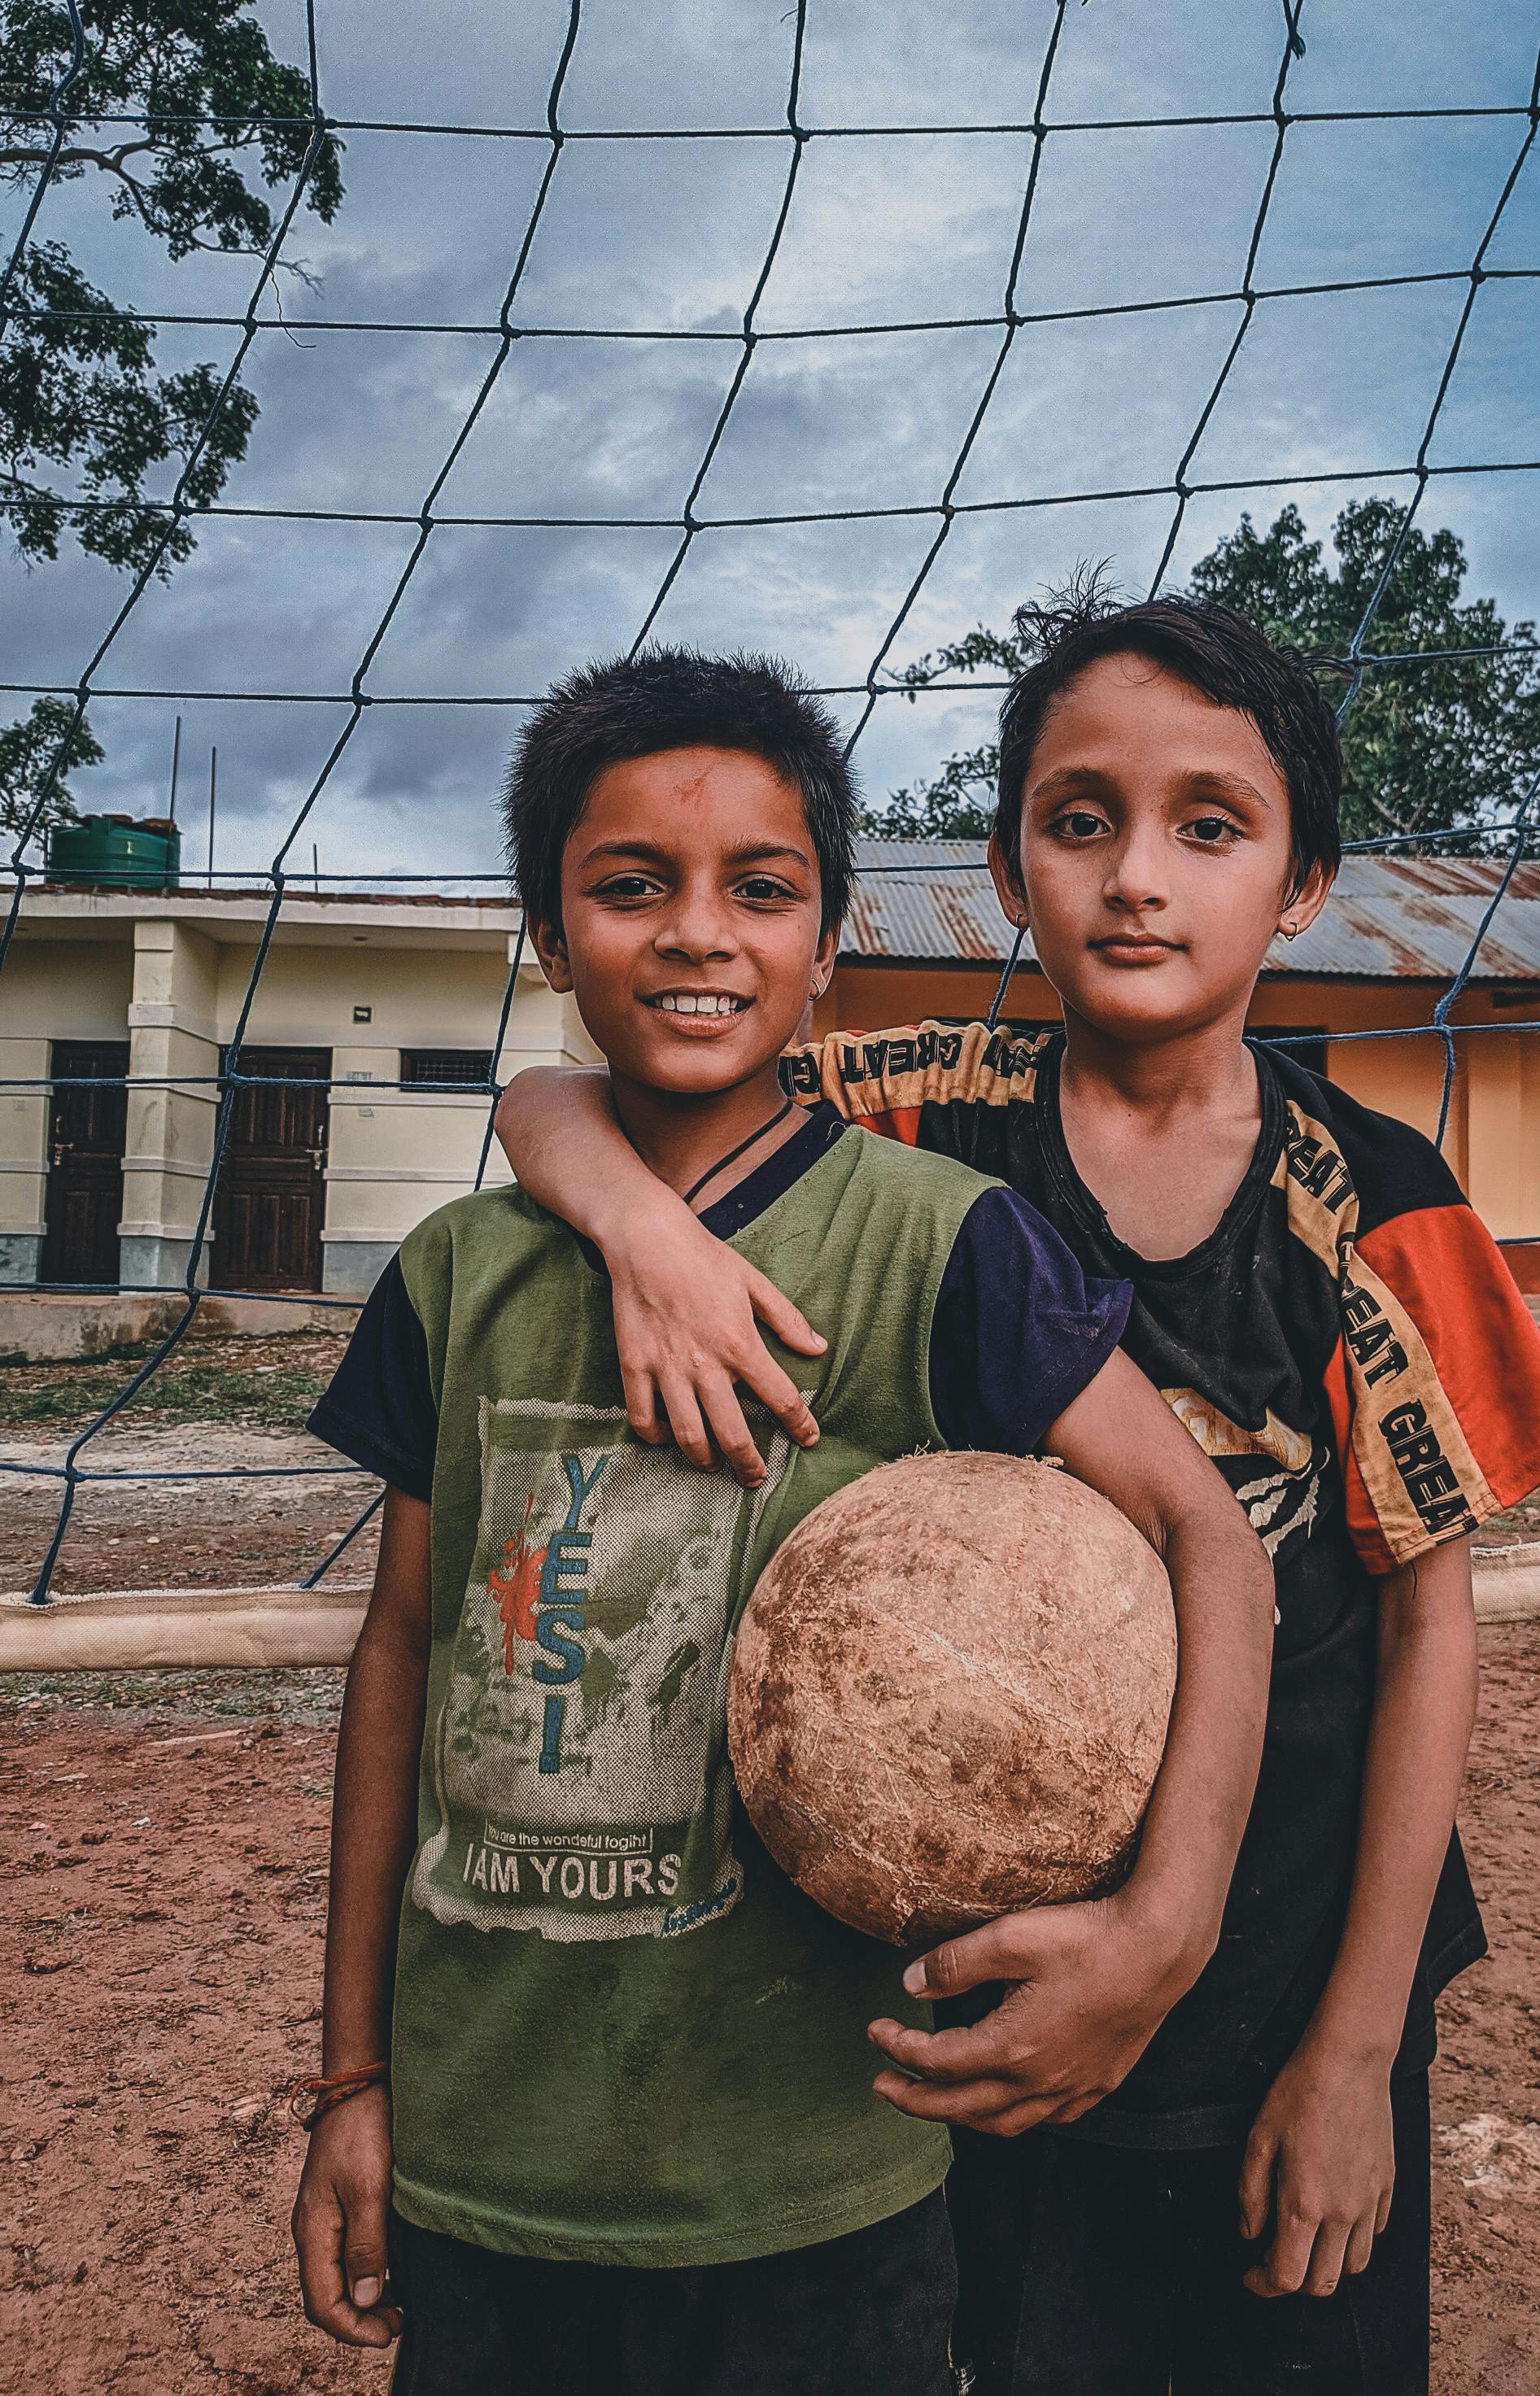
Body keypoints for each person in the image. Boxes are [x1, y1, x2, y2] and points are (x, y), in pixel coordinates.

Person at [495, 595, 1540, 2395]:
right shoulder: (912, 1121)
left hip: (1282, 1985)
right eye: (1081, 822)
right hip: (974, 1989)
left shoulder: (1377, 1193)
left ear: (1304, 882)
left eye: (1209, 826)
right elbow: (566, 1093)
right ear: (1010, 870)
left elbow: (1430, 1621)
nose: (1137, 878)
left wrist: (1356, 2053)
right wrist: (643, 1234)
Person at [290, 648, 1274, 2396]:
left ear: (828, 945)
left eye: (760, 889)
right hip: (480, 2163)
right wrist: (353, 2080)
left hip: (820, 2181)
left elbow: (1213, 1543)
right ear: (544, 930)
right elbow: (399, 1656)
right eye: (629, 886)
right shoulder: (455, 1276)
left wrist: (1163, 1930)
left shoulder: (935, 1243)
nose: (695, 933)